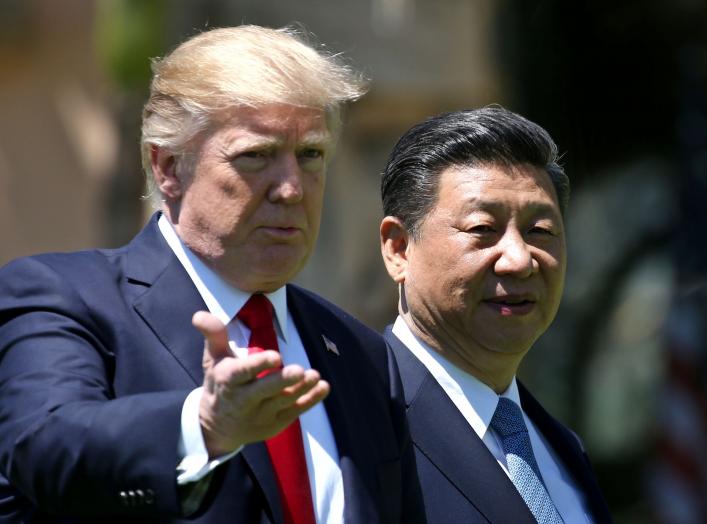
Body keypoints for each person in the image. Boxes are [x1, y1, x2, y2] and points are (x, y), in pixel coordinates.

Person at [0, 25, 423, 523]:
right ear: (169, 167)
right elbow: (45, 448)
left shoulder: (362, 352)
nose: (291, 189)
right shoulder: (62, 295)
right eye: (256, 156)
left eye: (310, 154)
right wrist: (202, 427)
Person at [379, 107, 612, 523]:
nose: (519, 260)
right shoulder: (355, 425)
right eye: (482, 229)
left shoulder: (561, 449)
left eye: (540, 231)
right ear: (399, 249)